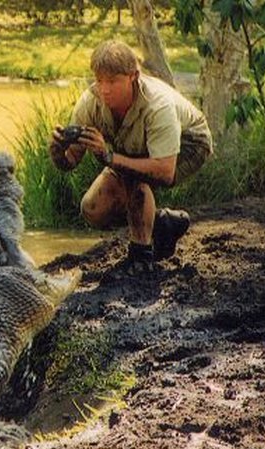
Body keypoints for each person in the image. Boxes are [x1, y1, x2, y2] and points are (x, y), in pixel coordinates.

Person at [49, 39, 213, 274]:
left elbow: (165, 172)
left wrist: (109, 157)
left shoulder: (157, 104)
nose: (104, 89)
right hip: (134, 149)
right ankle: (162, 223)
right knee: (93, 209)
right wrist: (57, 151)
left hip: (189, 143)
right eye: (99, 80)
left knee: (137, 182)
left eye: (113, 81)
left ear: (133, 77)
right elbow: (71, 160)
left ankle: (141, 253)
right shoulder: (91, 102)